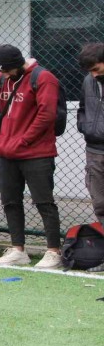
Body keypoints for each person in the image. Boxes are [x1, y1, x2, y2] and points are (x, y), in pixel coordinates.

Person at [0, 44, 63, 269]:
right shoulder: (0, 80)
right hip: (7, 152)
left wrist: (24, 140)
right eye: (1, 71)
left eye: (7, 70)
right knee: (10, 201)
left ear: (18, 64)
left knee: (44, 202)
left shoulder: (43, 78)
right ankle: (18, 249)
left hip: (37, 153)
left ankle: (53, 251)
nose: (4, 74)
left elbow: (47, 114)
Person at [77, 43, 104, 230]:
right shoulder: (88, 80)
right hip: (94, 150)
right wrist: (84, 126)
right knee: (100, 202)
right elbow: (83, 107)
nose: (93, 74)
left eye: (96, 69)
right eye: (89, 71)